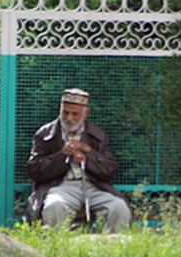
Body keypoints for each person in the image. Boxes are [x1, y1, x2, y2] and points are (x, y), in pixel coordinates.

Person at [25, 88, 132, 233]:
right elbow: (34, 171)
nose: (69, 118)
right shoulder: (44, 134)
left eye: (75, 114)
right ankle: (55, 249)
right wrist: (63, 156)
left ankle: (113, 250)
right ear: (60, 110)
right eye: (65, 112)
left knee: (119, 208)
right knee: (54, 206)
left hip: (94, 185)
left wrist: (88, 154)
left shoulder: (97, 134)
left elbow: (109, 170)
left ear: (85, 114)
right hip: (60, 186)